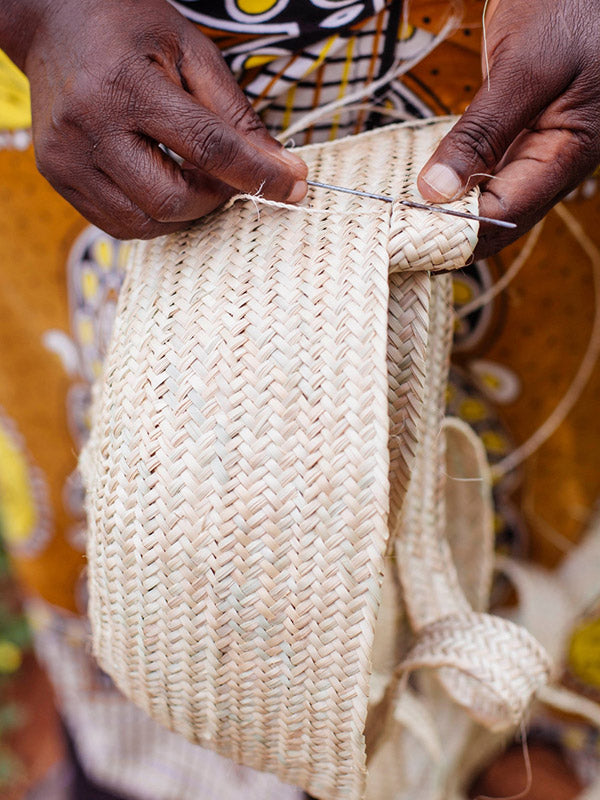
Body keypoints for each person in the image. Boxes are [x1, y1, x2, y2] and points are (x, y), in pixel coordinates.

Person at [0, 0, 598, 797]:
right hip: (99, 96)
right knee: (166, 553)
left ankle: (506, 744)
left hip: (526, 89)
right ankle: (190, 755)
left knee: (543, 470)